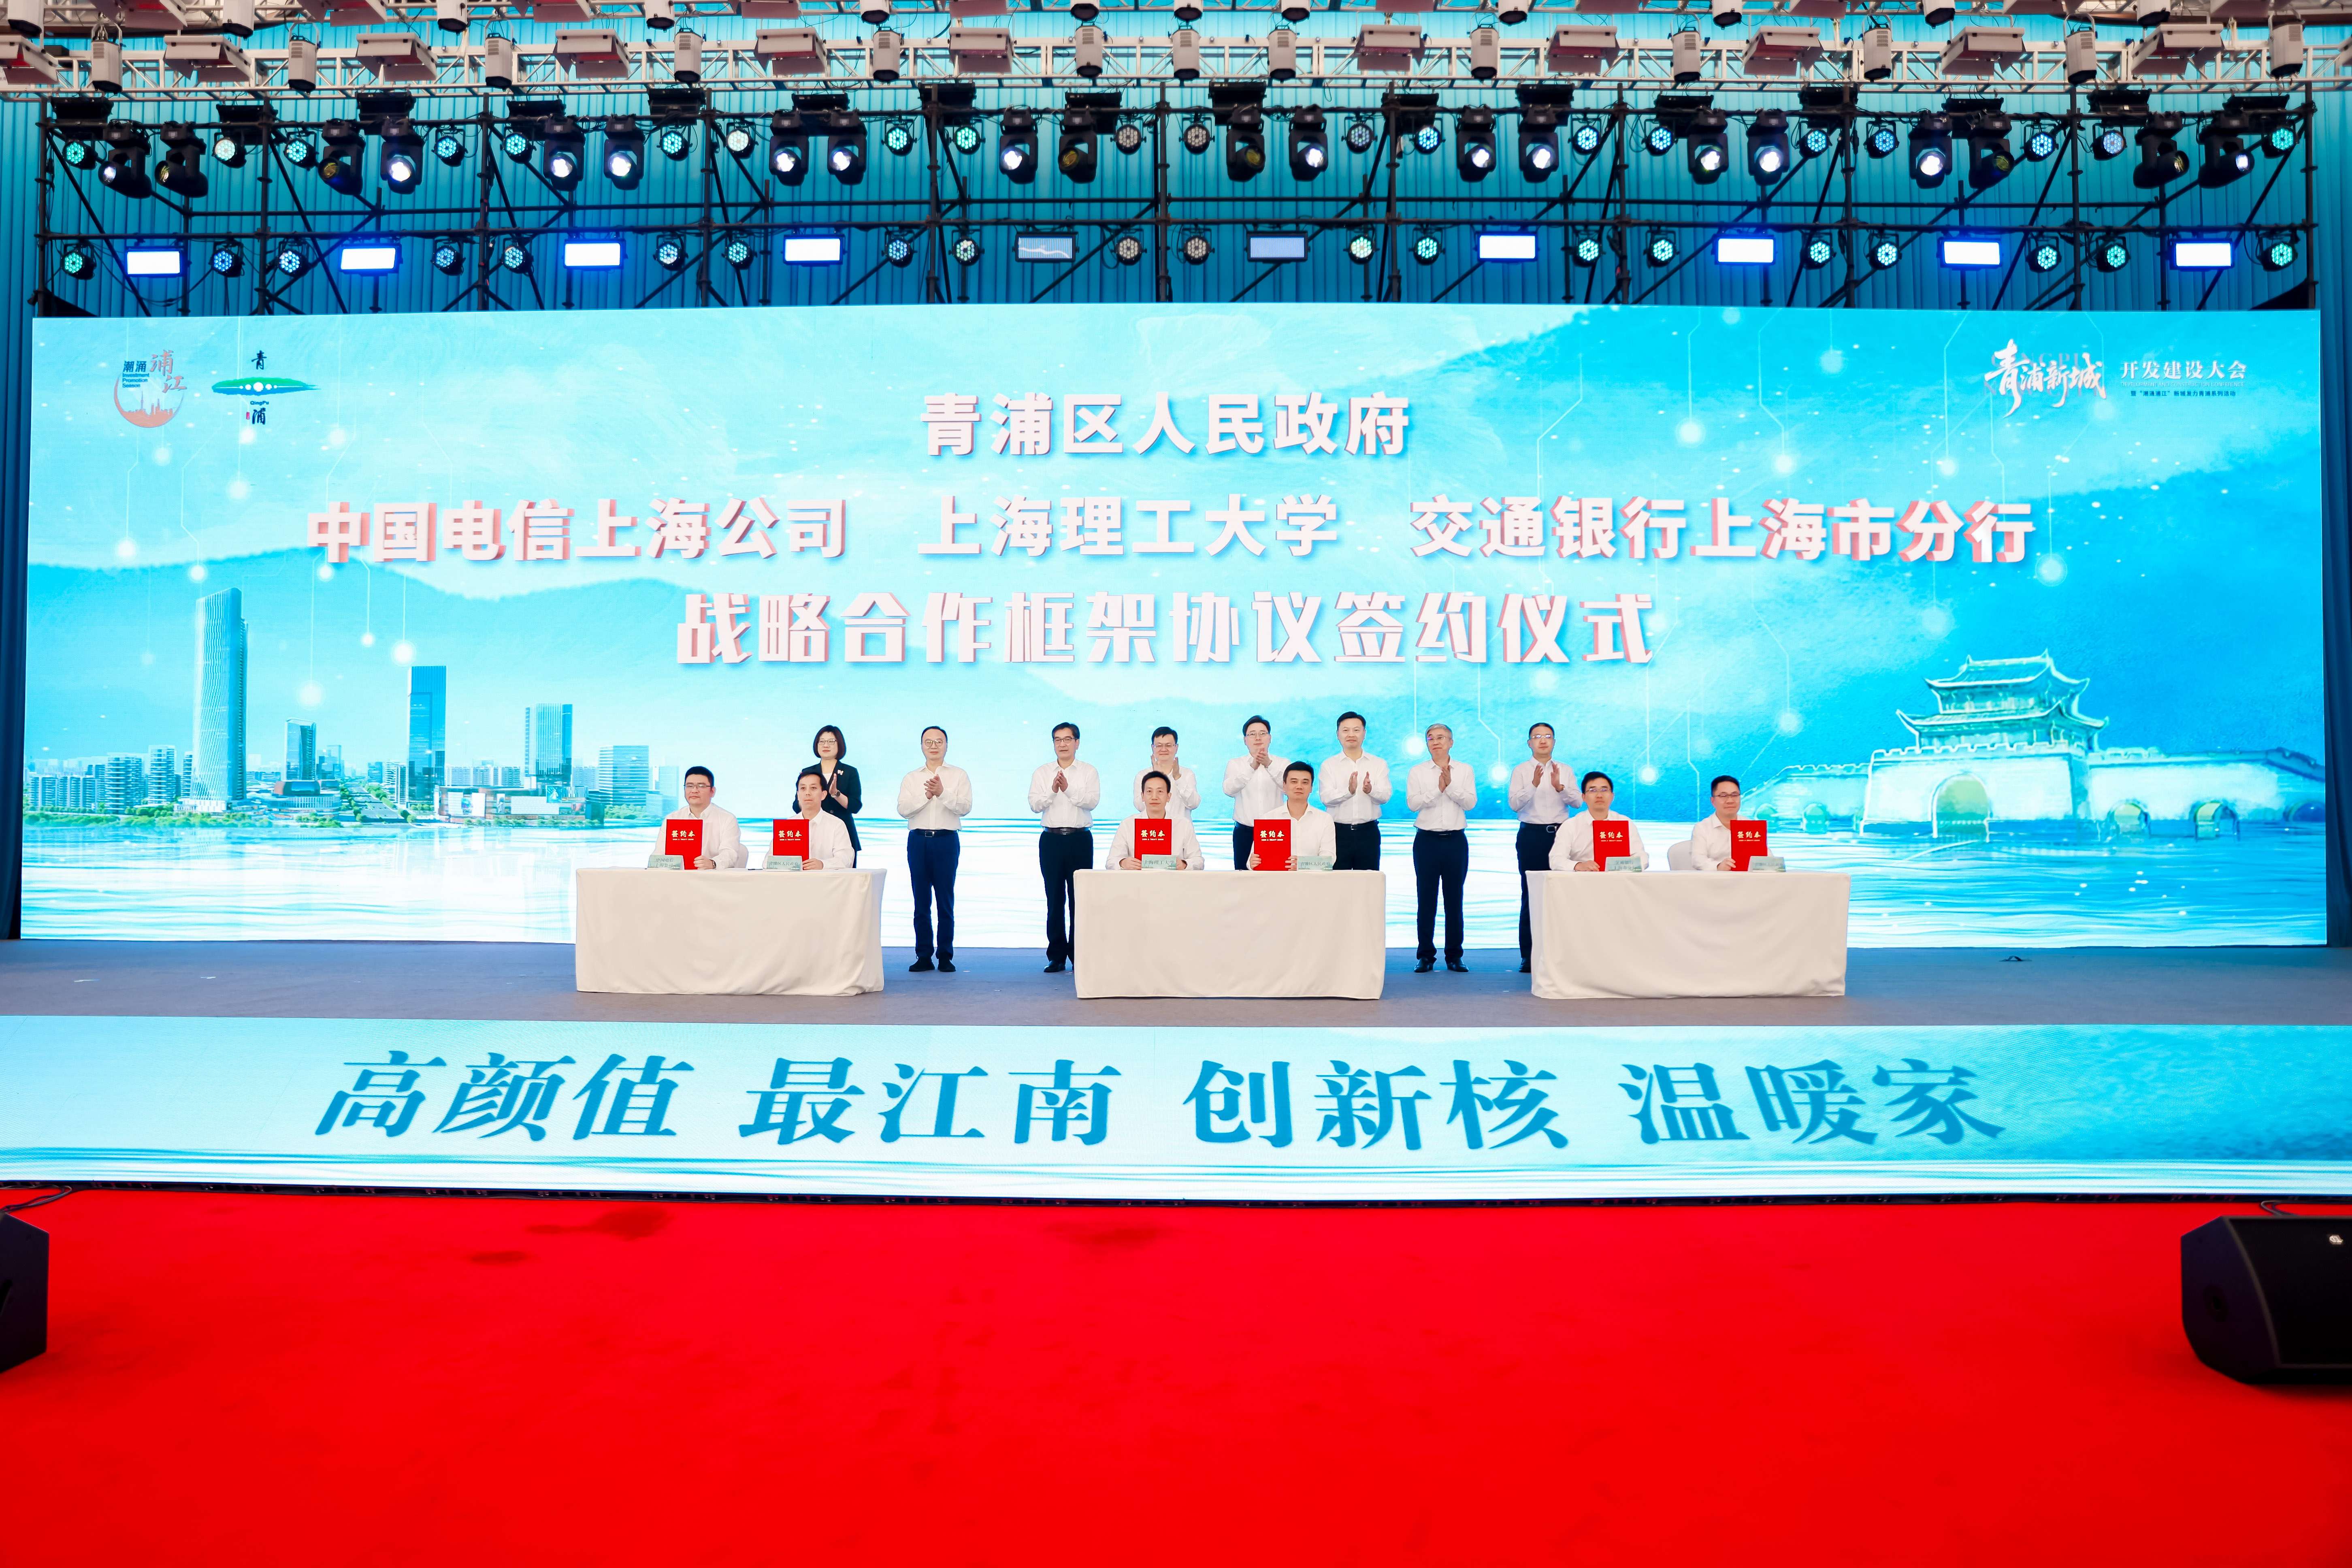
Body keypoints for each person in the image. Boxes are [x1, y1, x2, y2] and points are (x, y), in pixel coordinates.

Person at [896, 725, 972, 972]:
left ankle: (946, 956)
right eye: (928, 742)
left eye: (939, 741)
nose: (934, 746)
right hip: (918, 841)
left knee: (945, 900)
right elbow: (903, 810)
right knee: (921, 901)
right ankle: (924, 956)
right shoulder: (912, 778)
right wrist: (927, 796)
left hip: (946, 841)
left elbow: (965, 807)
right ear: (922, 746)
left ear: (947, 745)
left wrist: (943, 793)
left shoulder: (959, 775)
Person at [1028, 721, 1100, 974]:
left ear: (1077, 743)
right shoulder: (1042, 772)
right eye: (1058, 740)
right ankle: (1057, 956)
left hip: (1080, 840)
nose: (1063, 744)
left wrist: (1068, 790)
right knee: (1055, 898)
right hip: (1051, 840)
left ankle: (1079, 955)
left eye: (1068, 739)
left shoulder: (1088, 771)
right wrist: (1053, 791)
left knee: (1079, 899)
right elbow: (1035, 805)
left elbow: (1092, 802)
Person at [1404, 722, 1476, 972]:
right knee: (1426, 899)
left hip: (1456, 841)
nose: (1436, 742)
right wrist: (1438, 789)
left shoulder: (1465, 770)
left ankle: (1455, 956)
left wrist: (1451, 786)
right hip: (1427, 842)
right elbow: (1413, 804)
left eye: (1441, 737)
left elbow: (1470, 803)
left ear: (1451, 742)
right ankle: (1425, 956)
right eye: (1431, 738)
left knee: (1455, 900)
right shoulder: (1417, 772)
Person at [1506, 723, 1573, 973]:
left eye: (1547, 736)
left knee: (1561, 894)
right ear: (1529, 743)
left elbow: (1578, 801)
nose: (1543, 740)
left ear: (1554, 742)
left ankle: (1561, 954)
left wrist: (1560, 787)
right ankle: (1529, 955)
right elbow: (1514, 804)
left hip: (1561, 836)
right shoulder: (1521, 770)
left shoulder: (1565, 770)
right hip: (1531, 836)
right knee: (1531, 893)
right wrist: (1534, 784)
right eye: (1537, 736)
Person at [1320, 710, 1390, 871]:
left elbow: (1385, 796)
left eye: (1356, 730)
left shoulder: (1378, 764)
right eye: (1346, 730)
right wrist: (1349, 792)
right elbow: (1326, 798)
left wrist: (1371, 790)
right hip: (1338, 833)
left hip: (1368, 833)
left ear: (1364, 733)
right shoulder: (1329, 765)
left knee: (1368, 881)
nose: (1351, 734)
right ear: (1338, 734)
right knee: (1337, 881)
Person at [1221, 715, 1289, 870]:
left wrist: (1269, 765)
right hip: (1245, 831)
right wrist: (1252, 767)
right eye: (1252, 734)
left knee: (1276, 875)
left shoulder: (1283, 763)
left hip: (1274, 832)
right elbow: (1229, 790)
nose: (1258, 738)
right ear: (1245, 740)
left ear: (1270, 738)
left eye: (1262, 733)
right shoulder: (1235, 764)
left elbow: (1288, 789)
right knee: (1243, 876)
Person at [1553, 770, 1650, 871]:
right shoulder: (1571, 825)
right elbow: (1556, 860)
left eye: (1604, 790)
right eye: (1593, 790)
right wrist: (1578, 865)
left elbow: (1642, 857)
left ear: (1612, 796)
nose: (1599, 795)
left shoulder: (1625, 823)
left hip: (1618, 879)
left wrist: (1624, 866)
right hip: (1583, 879)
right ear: (1584, 797)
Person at [1249, 761, 1337, 868]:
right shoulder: (1268, 819)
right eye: (1294, 782)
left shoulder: (1325, 819)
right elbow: (1252, 861)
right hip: (1277, 878)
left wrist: (1302, 865)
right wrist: (1252, 863)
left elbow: (1329, 860)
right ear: (1284, 786)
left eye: (1305, 783)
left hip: (1312, 878)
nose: (1299, 787)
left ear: (1311, 788)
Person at [1109, 771, 1204, 870]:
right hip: (1138, 879)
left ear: (1169, 797)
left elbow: (1198, 862)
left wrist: (1184, 864)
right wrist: (1123, 863)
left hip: (1172, 879)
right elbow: (1111, 862)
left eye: (1160, 792)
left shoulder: (1183, 825)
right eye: (1149, 792)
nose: (1154, 797)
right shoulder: (1128, 824)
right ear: (1142, 796)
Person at [659, 765, 746, 869]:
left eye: (701, 786)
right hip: (678, 876)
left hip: (712, 876)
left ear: (712, 791)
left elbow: (730, 853)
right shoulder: (672, 819)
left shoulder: (727, 819)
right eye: (690, 786)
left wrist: (713, 863)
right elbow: (660, 853)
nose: (694, 790)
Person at [808, 724, 863, 861]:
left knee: (844, 873)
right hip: (813, 834)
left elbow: (855, 807)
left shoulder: (850, 772)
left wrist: (836, 794)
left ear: (840, 745)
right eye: (822, 741)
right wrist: (806, 793)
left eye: (831, 741)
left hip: (843, 834)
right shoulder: (808, 773)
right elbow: (797, 807)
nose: (826, 745)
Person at [1131, 725, 1202, 824]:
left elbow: (1194, 804)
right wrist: (1157, 778)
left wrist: (1178, 778)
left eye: (1168, 746)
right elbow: (1140, 806)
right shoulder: (1142, 776)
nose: (1164, 749)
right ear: (1153, 748)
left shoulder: (1187, 774)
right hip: (1154, 830)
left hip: (1180, 830)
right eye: (1159, 746)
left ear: (1176, 748)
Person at [787, 769, 856, 869]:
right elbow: (768, 861)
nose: (807, 793)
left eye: (813, 788)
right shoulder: (788, 825)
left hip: (826, 879)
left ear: (823, 795)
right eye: (803, 788)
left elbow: (846, 859)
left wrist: (823, 864)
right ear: (798, 795)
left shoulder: (837, 825)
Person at [1690, 775, 1747, 872]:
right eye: (1724, 796)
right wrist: (1718, 866)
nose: (1730, 801)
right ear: (1713, 801)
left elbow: (1766, 857)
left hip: (1747, 879)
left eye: (1735, 795)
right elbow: (1698, 860)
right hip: (1714, 879)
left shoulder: (1751, 825)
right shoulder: (1702, 828)